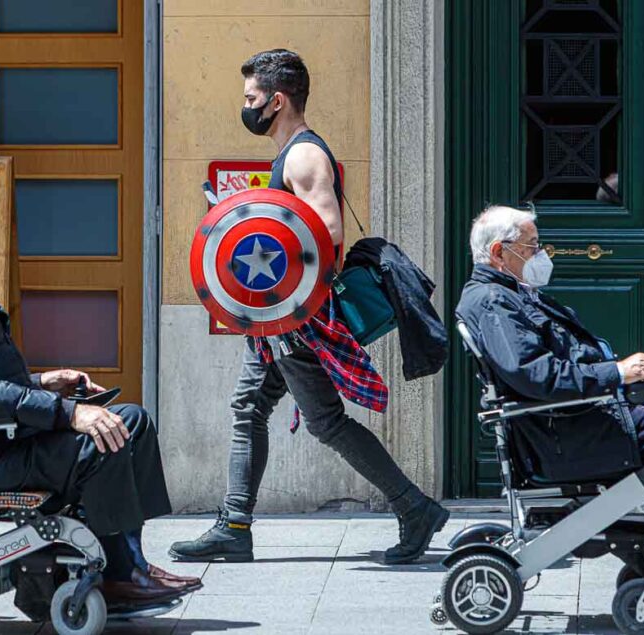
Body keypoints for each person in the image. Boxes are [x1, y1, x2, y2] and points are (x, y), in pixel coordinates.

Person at [169, 49, 448, 566]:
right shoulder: (290, 154)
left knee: (325, 422)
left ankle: (414, 508)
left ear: (276, 101)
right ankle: (234, 525)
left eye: (251, 98)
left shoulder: (303, 156)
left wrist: (257, 240)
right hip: (279, 318)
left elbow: (326, 234)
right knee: (249, 407)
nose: (246, 107)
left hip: (295, 321)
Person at [0, 211, 201, 607]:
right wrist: (70, 413)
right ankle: (117, 576)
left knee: (131, 421)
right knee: (101, 442)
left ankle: (131, 561)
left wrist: (42, 382)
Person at [456, 204, 644, 538]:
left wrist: (621, 386)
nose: (540, 254)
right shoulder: (495, 302)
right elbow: (537, 376)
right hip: (571, 434)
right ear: (498, 253)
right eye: (531, 246)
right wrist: (618, 374)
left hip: (587, 418)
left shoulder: (514, 294)